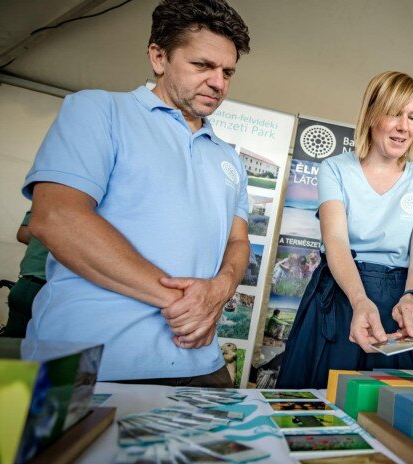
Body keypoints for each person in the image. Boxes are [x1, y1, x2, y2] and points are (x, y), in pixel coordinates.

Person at [21, 0, 251, 387]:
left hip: (201, 362)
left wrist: (219, 290)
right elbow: (57, 218)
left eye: (227, 71)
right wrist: (185, 303)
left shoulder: (229, 156)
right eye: (202, 66)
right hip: (87, 361)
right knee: (47, 451)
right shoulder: (98, 110)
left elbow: (238, 239)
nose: (219, 82)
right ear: (159, 57)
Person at [276, 71, 413, 388]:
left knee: (388, 408)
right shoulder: (335, 169)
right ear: (372, 115)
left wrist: (412, 298)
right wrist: (359, 301)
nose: (403, 126)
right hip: (341, 293)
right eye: (394, 113)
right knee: (318, 399)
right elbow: (335, 241)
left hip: (397, 299)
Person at [2, 211, 50, 338]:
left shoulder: (44, 196)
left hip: (29, 282)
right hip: (42, 286)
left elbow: (24, 234)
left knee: (12, 347)